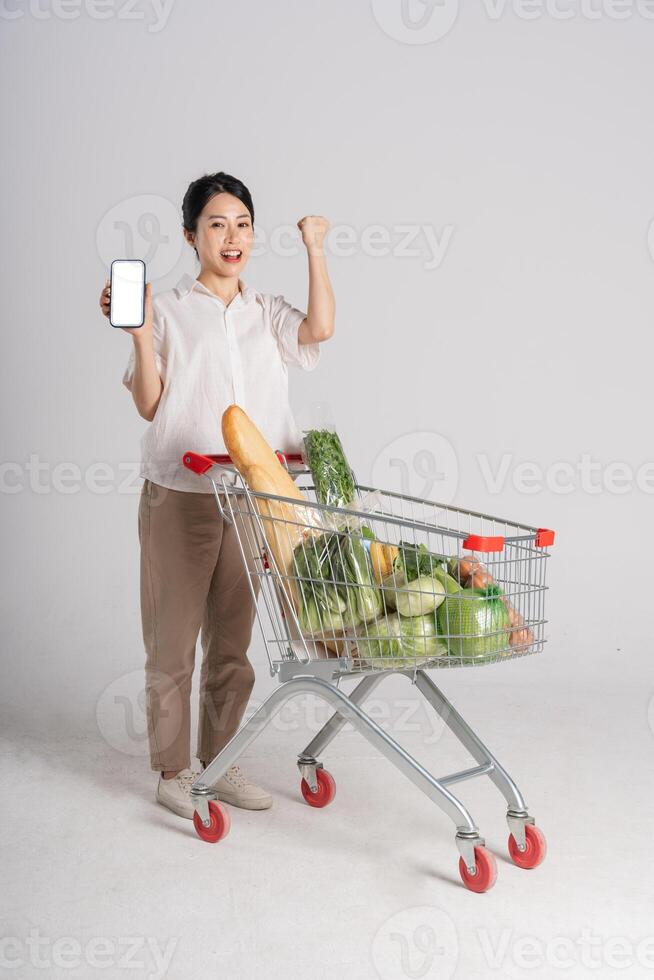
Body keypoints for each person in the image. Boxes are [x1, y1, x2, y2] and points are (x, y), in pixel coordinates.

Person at [100, 171, 334, 819]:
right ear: (190, 235)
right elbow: (150, 404)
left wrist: (314, 246)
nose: (231, 237)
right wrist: (140, 334)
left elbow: (321, 330)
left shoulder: (268, 312)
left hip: (251, 499)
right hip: (180, 493)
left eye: (242, 225)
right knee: (173, 641)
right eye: (216, 225)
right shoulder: (170, 309)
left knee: (232, 643)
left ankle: (220, 761)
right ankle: (174, 770)